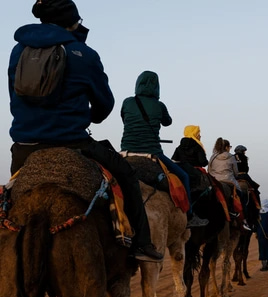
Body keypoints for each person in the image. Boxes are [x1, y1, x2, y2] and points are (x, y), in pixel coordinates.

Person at [8, 0, 162, 262]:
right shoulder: (84, 53)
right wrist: (81, 117)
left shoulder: (18, 51)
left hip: (24, 147)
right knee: (125, 175)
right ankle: (141, 244)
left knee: (11, 201)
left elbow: (15, 97)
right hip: (72, 141)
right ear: (73, 21)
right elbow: (104, 106)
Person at [120, 71, 207, 228]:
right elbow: (167, 122)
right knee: (184, 177)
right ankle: (189, 215)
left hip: (125, 153)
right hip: (153, 153)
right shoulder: (159, 106)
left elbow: (124, 118)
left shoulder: (127, 102)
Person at [208, 137, 251, 230]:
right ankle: (244, 220)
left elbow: (209, 170)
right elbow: (235, 172)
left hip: (215, 181)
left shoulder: (213, 156)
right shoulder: (231, 157)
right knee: (242, 196)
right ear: (226, 147)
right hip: (229, 181)